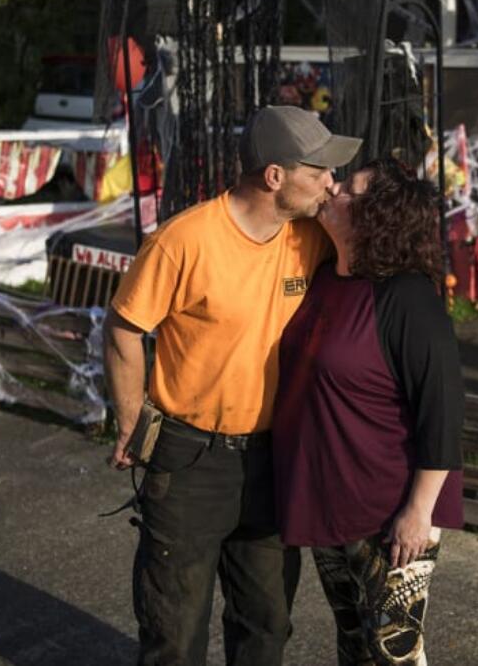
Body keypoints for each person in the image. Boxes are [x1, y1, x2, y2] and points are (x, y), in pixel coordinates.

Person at [104, 105, 361, 666]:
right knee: (174, 630)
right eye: (319, 173)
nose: (330, 184)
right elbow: (125, 327)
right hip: (190, 459)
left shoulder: (309, 237)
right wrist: (131, 419)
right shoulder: (185, 240)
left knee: (267, 625)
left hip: (274, 459)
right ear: (275, 177)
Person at [272, 158, 465, 666]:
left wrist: (418, 512)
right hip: (330, 502)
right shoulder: (324, 280)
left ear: (377, 217)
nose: (332, 188)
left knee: (394, 651)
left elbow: (442, 412)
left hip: (391, 512)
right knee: (353, 645)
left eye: (349, 190)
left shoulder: (408, 298)